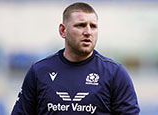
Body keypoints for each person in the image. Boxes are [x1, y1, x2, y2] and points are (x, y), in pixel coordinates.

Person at [11, 2, 140, 115]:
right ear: (63, 31)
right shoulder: (39, 71)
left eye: (93, 26)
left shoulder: (114, 73)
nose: (88, 32)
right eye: (81, 25)